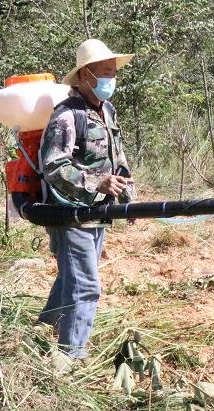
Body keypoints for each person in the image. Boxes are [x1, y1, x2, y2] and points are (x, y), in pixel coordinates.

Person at [37, 39, 135, 367]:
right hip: (70, 214)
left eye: (114, 73)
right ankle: (71, 359)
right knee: (86, 286)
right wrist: (96, 183)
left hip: (99, 214)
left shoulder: (106, 111)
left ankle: (41, 333)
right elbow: (53, 166)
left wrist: (125, 192)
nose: (112, 79)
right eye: (106, 73)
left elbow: (116, 157)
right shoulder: (67, 115)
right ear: (86, 75)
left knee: (71, 279)